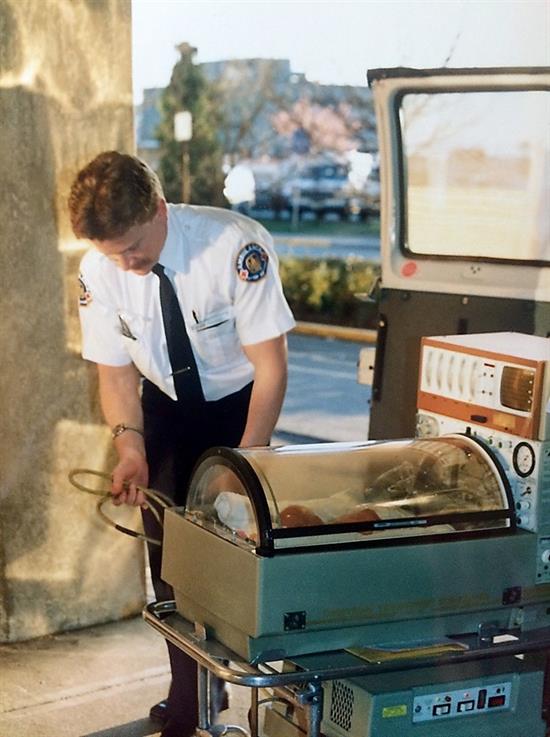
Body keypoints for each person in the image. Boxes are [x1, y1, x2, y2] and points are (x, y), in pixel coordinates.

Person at [68, 151, 295, 737]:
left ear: (160, 210)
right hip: (164, 408)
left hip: (239, 410)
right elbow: (116, 374)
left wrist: (245, 462)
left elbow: (270, 366)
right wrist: (129, 447)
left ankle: (261, 695)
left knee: (239, 560)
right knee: (169, 563)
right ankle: (192, 692)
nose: (125, 261)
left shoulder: (235, 246)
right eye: (111, 251)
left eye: (133, 246)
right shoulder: (99, 268)